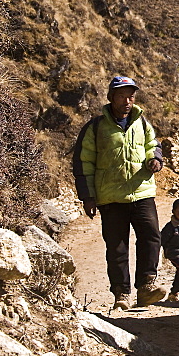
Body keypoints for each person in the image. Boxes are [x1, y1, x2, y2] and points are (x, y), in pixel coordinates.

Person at [72, 75, 169, 310]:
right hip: (110, 196)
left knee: (151, 237)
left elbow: (153, 145)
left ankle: (146, 286)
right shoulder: (95, 128)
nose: (128, 101)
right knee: (117, 246)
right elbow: (84, 162)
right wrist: (88, 196)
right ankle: (121, 294)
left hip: (142, 192)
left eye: (131, 96)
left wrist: (154, 159)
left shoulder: (142, 123)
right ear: (111, 98)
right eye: (122, 96)